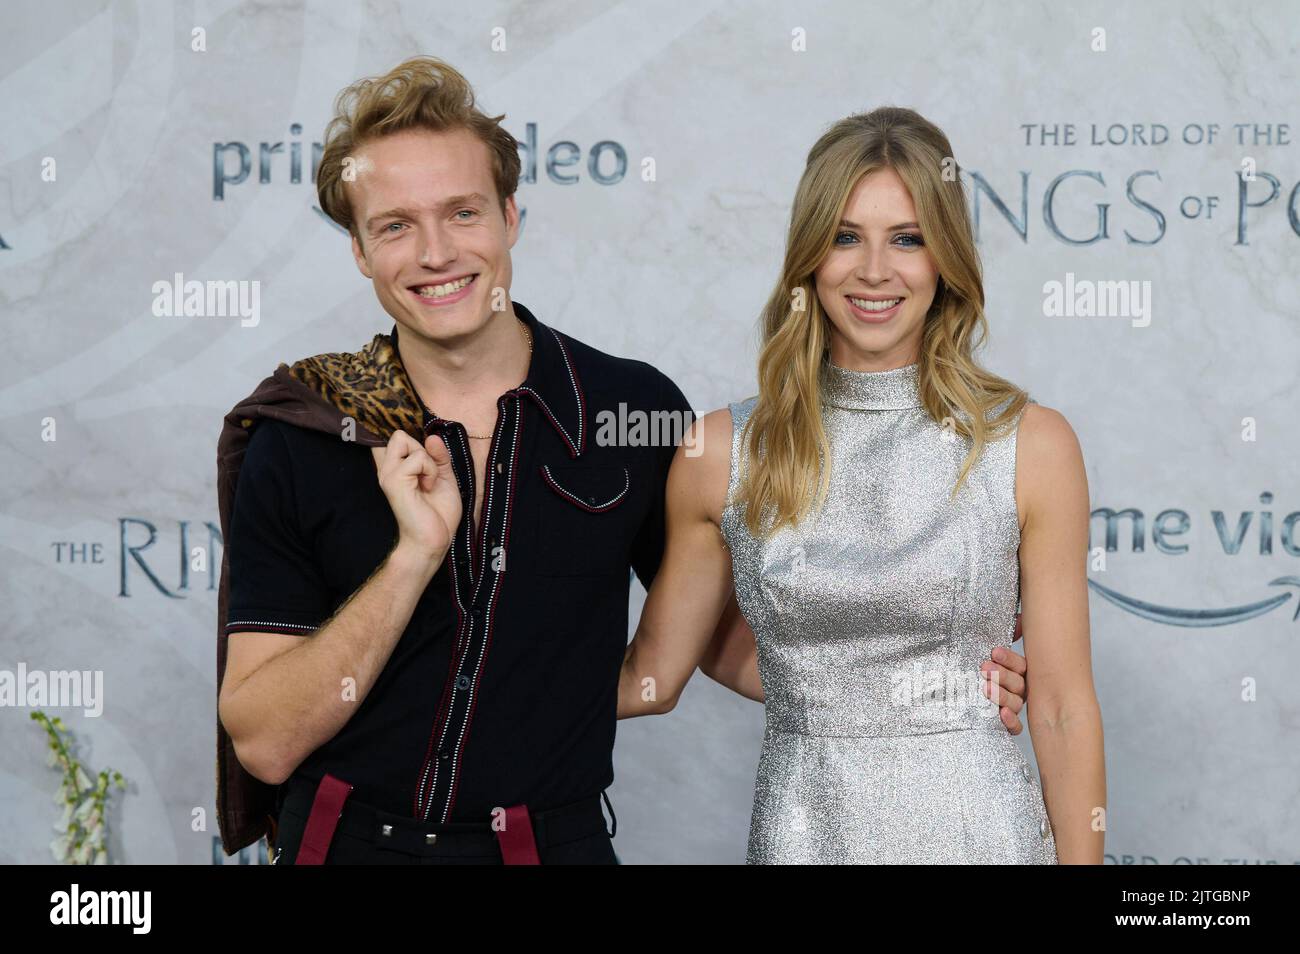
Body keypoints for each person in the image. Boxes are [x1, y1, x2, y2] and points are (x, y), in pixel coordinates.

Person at [215, 57, 1035, 865]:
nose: (436, 253)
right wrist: (413, 560)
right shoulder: (310, 433)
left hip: (546, 843)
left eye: (462, 213)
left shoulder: (630, 413)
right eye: (395, 225)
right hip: (346, 844)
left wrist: (928, 685)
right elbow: (265, 745)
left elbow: (704, 647)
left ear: (510, 216)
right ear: (361, 250)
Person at [618, 107, 1105, 864]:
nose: (874, 269)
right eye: (846, 236)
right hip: (804, 832)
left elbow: (1066, 708)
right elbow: (654, 673)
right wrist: (447, 681)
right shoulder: (720, 450)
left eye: (906, 239)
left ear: (945, 258)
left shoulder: (1030, 444)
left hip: (980, 833)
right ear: (809, 256)